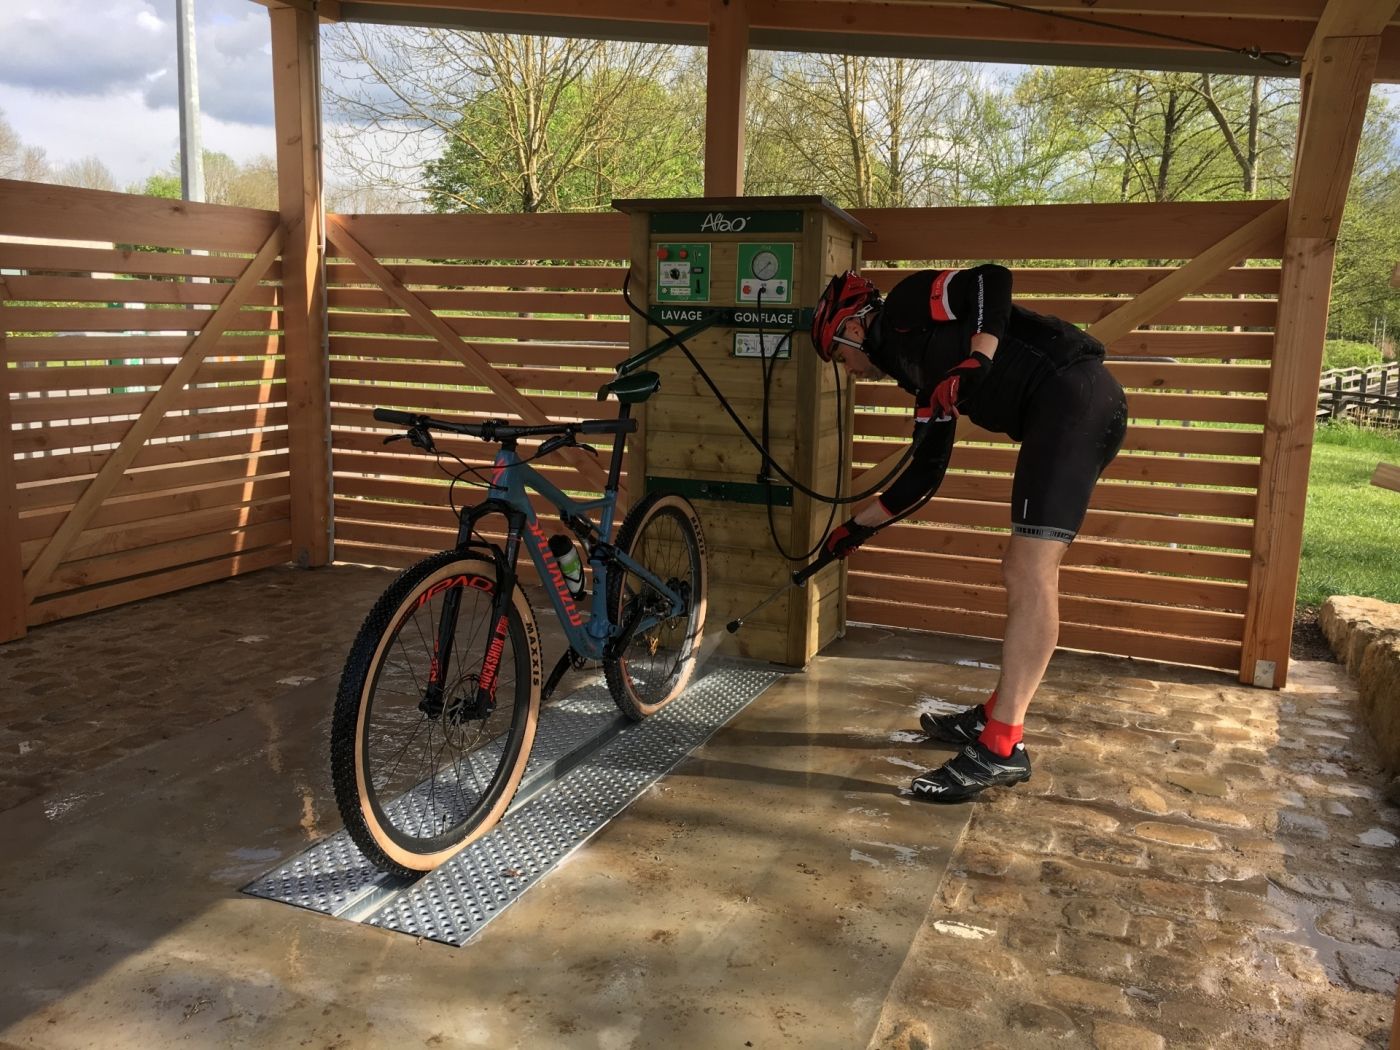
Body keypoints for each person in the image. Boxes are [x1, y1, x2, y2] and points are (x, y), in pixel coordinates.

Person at [809, 266, 1128, 804]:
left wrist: (979, 357)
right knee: (1024, 569)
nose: (849, 370)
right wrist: (853, 530)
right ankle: (994, 716)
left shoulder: (907, 305)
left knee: (1028, 570)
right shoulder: (920, 377)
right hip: (1062, 409)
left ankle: (1002, 746)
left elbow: (991, 280)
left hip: (1074, 397)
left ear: (853, 330)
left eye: (840, 356)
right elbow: (923, 477)